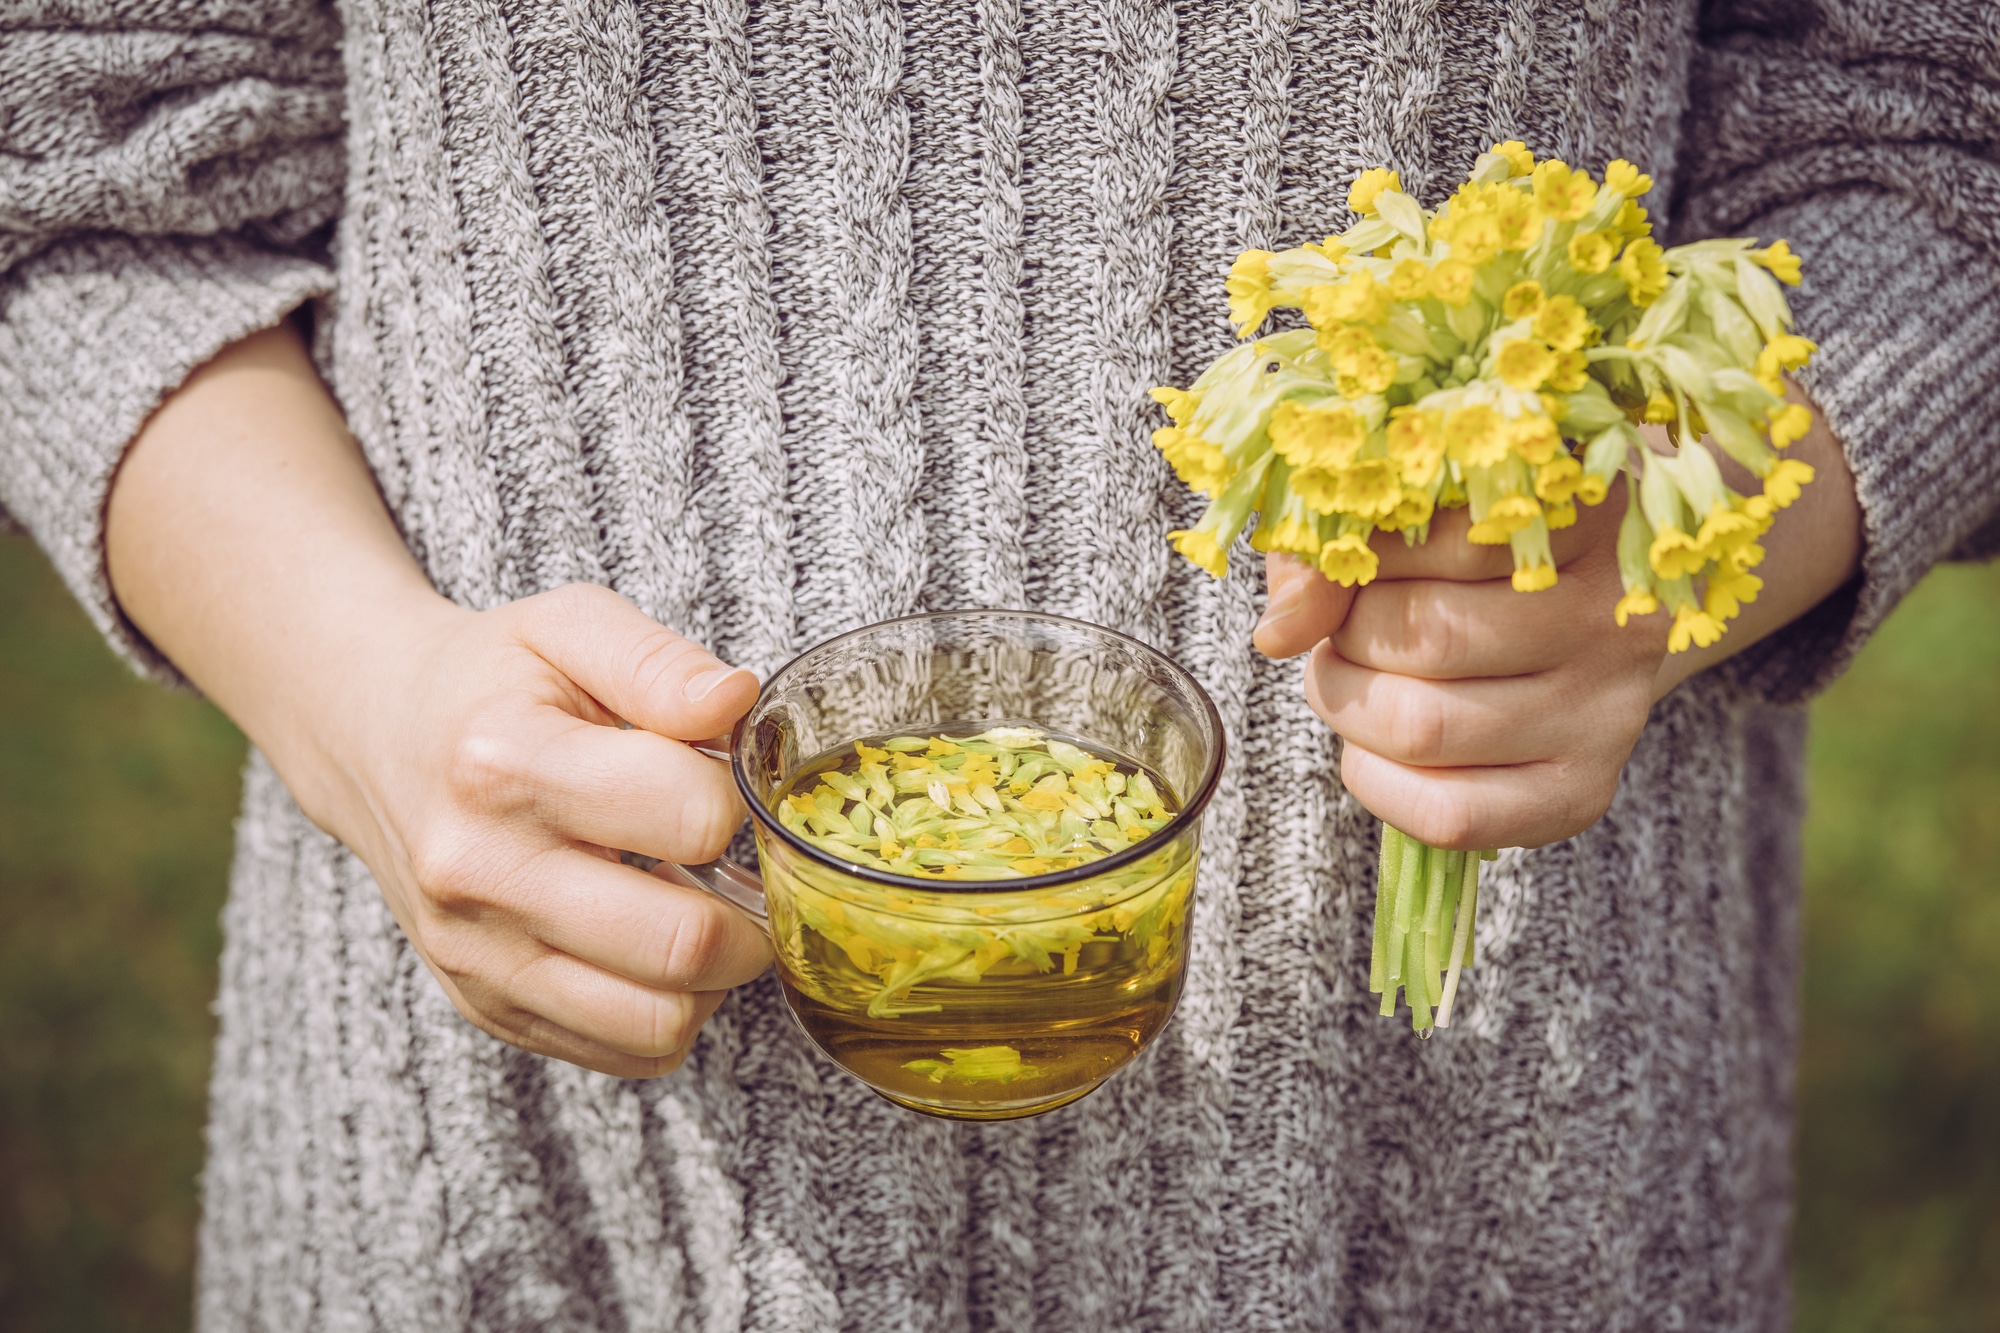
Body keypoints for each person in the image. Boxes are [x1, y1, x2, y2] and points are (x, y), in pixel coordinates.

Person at [3, 0, 1996, 1325]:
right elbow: (65, 151)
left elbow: (1943, 121)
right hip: (530, 1192)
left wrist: (1695, 525)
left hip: (1461, 1183)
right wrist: (368, 703)